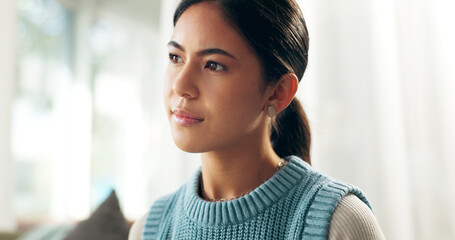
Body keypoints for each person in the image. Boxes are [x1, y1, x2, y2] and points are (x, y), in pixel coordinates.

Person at [129, 0, 386, 239]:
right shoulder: (150, 229)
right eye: (176, 58)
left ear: (278, 92)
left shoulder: (339, 222)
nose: (181, 85)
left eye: (214, 65)